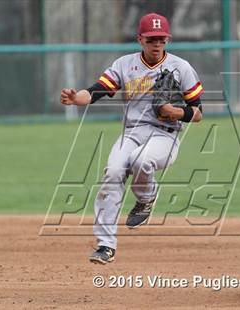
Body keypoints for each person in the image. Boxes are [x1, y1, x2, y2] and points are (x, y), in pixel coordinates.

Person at [60, 13, 204, 264]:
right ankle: (105, 245)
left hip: (165, 135)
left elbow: (198, 112)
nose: (156, 44)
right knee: (113, 171)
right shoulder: (125, 65)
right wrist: (75, 99)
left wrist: (176, 112)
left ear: (167, 40)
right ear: (140, 40)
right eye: (151, 40)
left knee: (140, 160)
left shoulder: (181, 67)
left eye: (161, 39)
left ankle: (146, 197)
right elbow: (95, 92)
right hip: (131, 133)